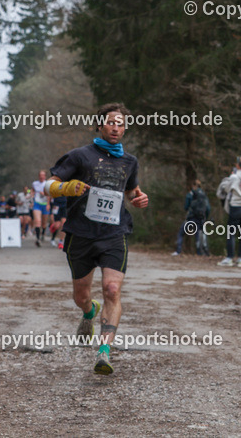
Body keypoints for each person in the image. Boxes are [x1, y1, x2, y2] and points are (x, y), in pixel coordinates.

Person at [47, 102, 149, 375]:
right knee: (81, 295)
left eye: (121, 123)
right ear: (99, 125)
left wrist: (139, 198)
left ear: (124, 129)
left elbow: (131, 191)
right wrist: (66, 186)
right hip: (81, 234)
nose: (116, 127)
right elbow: (48, 185)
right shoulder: (79, 156)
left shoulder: (130, 161)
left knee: (112, 290)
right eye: (111, 122)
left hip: (114, 234)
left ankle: (104, 351)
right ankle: (89, 312)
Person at [217, 156, 241, 267]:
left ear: (237, 165)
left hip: (236, 206)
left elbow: (227, 189)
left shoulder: (235, 176)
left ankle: (229, 257)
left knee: (231, 234)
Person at [174, 180, 210, 256]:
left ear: (194, 186)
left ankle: (178, 251)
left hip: (191, 218)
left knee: (181, 233)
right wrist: (205, 217)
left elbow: (186, 207)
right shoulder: (204, 195)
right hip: (201, 218)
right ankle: (200, 253)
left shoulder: (190, 194)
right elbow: (208, 208)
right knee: (199, 235)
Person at [31, 170, 49, 246]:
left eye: (43, 175)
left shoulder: (47, 183)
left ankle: (42, 235)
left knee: (44, 223)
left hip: (45, 204)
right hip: (37, 204)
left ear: (45, 176)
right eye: (40, 175)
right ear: (39, 176)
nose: (41, 176)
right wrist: (31, 196)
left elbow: (50, 195)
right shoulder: (35, 183)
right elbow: (32, 191)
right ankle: (38, 239)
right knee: (38, 221)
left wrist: (48, 204)